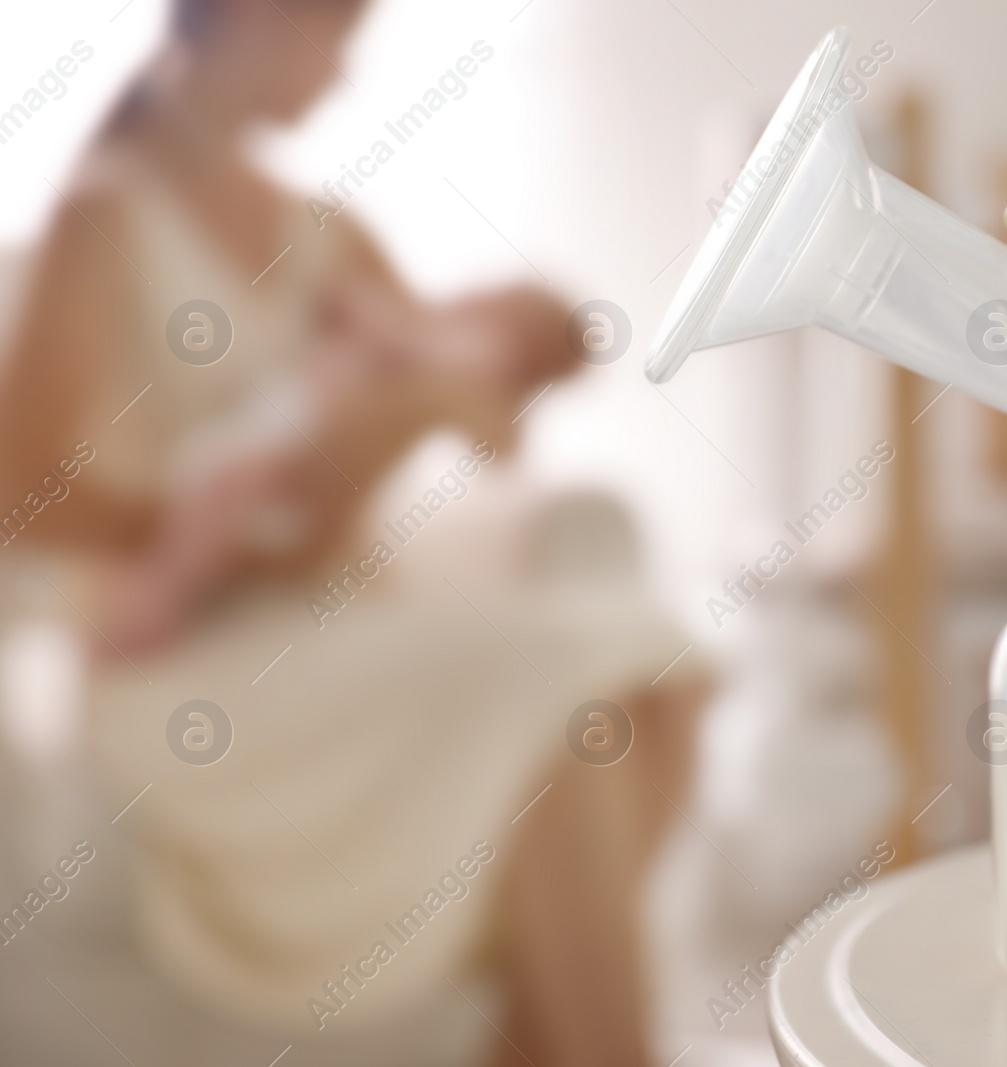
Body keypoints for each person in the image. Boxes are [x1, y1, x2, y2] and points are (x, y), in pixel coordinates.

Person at [0, 2, 702, 1063]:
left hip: (334, 619)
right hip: (185, 663)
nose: (342, 79)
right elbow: (27, 492)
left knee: (656, 695)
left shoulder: (327, 236)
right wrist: (228, 532)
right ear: (257, 18)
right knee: (568, 697)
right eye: (340, 40)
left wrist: (408, 415)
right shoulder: (104, 215)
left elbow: (469, 404)